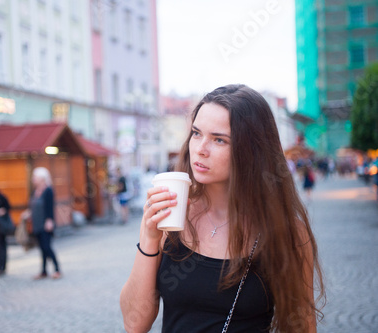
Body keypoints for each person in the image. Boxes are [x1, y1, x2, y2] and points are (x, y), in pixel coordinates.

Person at [120, 84, 325, 332]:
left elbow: (301, 326)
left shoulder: (287, 232)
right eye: (196, 133)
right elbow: (134, 324)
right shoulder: (172, 219)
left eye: (219, 139)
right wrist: (149, 239)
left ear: (252, 151)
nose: (200, 149)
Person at [28, 167, 61, 280]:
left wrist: (49, 220)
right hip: (36, 223)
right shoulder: (35, 191)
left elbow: (50, 207)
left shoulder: (48, 191)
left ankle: (57, 269)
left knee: (47, 247)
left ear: (42, 178)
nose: (33, 179)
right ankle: (43, 271)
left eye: (35, 177)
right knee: (41, 248)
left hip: (45, 223)